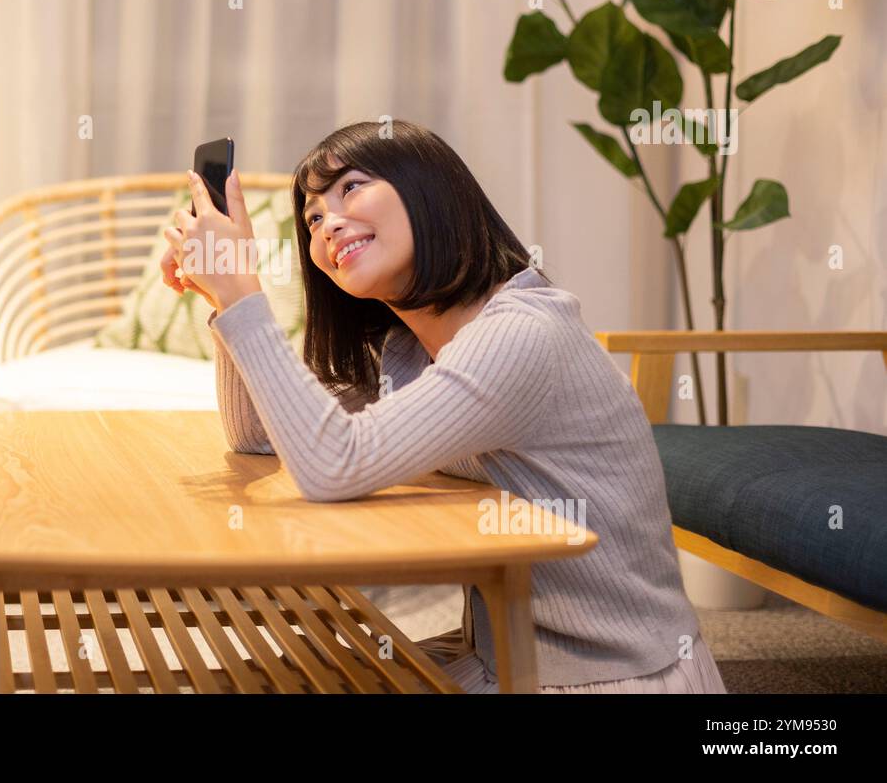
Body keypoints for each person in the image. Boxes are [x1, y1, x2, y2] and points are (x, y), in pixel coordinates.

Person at [158, 119, 726, 693]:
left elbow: (332, 463)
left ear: (431, 191)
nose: (328, 221)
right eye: (312, 217)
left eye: (350, 187)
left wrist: (244, 295)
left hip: (605, 678)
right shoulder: (411, 349)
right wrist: (221, 299)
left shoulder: (520, 335)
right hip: (506, 652)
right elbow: (258, 436)